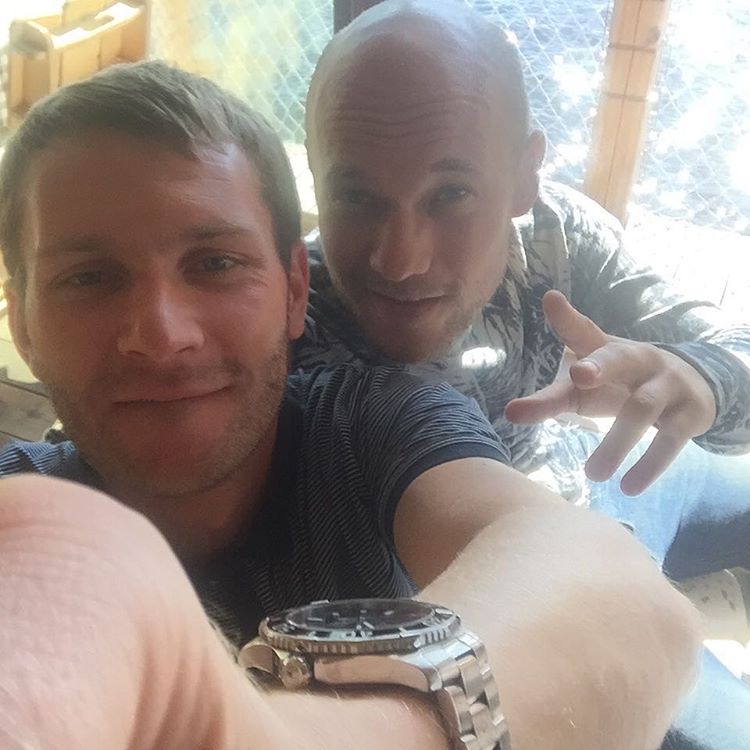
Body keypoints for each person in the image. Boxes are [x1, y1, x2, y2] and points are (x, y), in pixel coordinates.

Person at [0, 61, 700, 749]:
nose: (162, 334)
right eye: (88, 278)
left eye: (215, 264)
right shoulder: (23, 504)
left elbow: (616, 594)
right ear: (22, 324)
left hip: (634, 472)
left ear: (294, 291)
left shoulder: (373, 423)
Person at [293, 1, 750, 746]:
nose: (400, 259)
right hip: (523, 602)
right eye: (355, 197)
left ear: (524, 176)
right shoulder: (290, 325)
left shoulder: (555, 238)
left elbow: (735, 350)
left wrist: (697, 377)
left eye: (451, 194)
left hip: (609, 471)